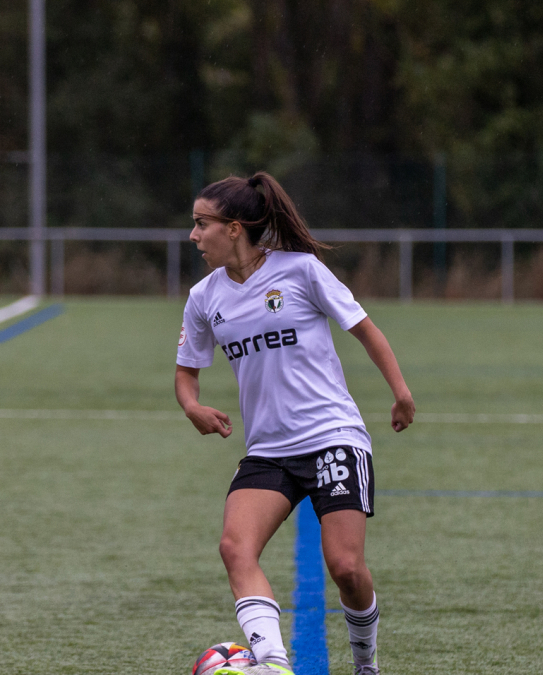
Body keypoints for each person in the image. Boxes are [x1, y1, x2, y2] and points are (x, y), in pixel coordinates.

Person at [175, 172, 416, 675]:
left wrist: (400, 393)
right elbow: (186, 373)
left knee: (346, 568)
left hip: (332, 437)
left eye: (201, 224)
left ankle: (366, 664)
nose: (193, 235)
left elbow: (366, 330)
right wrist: (192, 406)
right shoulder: (203, 297)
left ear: (234, 228)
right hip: (268, 450)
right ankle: (273, 664)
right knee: (235, 548)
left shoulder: (301, 270)